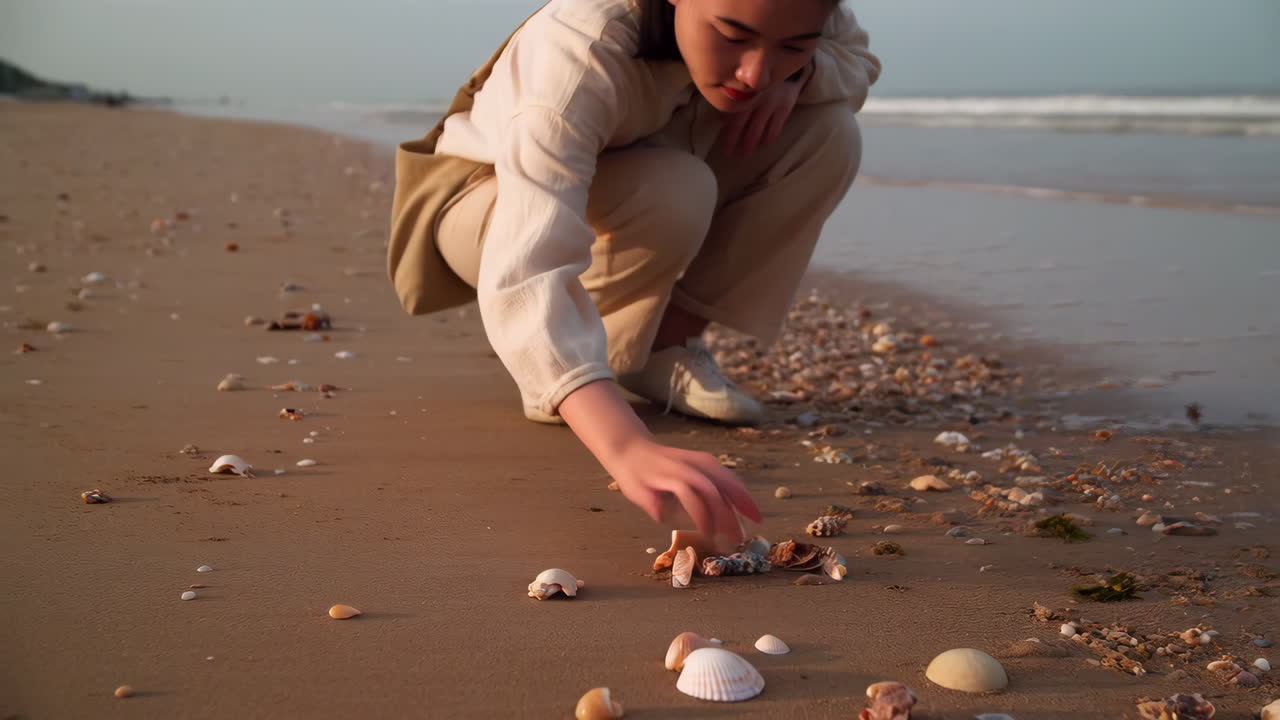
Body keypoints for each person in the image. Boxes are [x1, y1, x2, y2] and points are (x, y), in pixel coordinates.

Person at [389, 0, 881, 547]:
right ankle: (568, 371)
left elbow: (857, 57)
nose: (755, 73)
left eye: (791, 46)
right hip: (483, 201)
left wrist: (806, 75)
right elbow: (528, 259)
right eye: (733, 34)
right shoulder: (580, 49)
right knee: (676, 189)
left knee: (830, 131)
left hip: (643, 169)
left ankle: (661, 351)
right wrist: (623, 445)